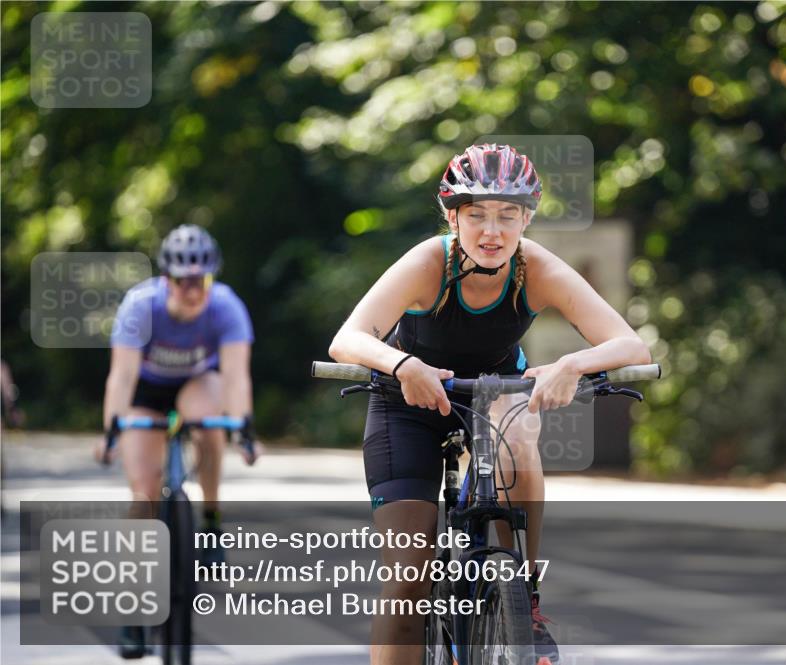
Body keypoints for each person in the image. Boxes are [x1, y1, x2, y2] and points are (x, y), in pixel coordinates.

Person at [329, 143, 651, 665]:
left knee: (521, 433)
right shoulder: (428, 262)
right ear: (452, 216)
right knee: (410, 574)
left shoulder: (535, 267)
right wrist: (403, 366)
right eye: (476, 215)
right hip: (406, 399)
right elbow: (348, 338)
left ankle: (524, 597)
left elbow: (630, 345)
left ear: (527, 218)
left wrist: (572, 364)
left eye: (508, 216)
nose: (492, 232)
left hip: (495, 392)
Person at [102, 224, 258, 658]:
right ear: (167, 278)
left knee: (211, 422)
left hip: (196, 383)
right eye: (184, 282)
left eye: (202, 281)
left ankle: (209, 519)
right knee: (144, 497)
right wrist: (111, 429)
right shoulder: (140, 305)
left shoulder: (226, 307)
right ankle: (133, 613)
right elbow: (122, 376)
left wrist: (243, 427)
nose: (194, 291)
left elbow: (235, 377)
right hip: (145, 393)